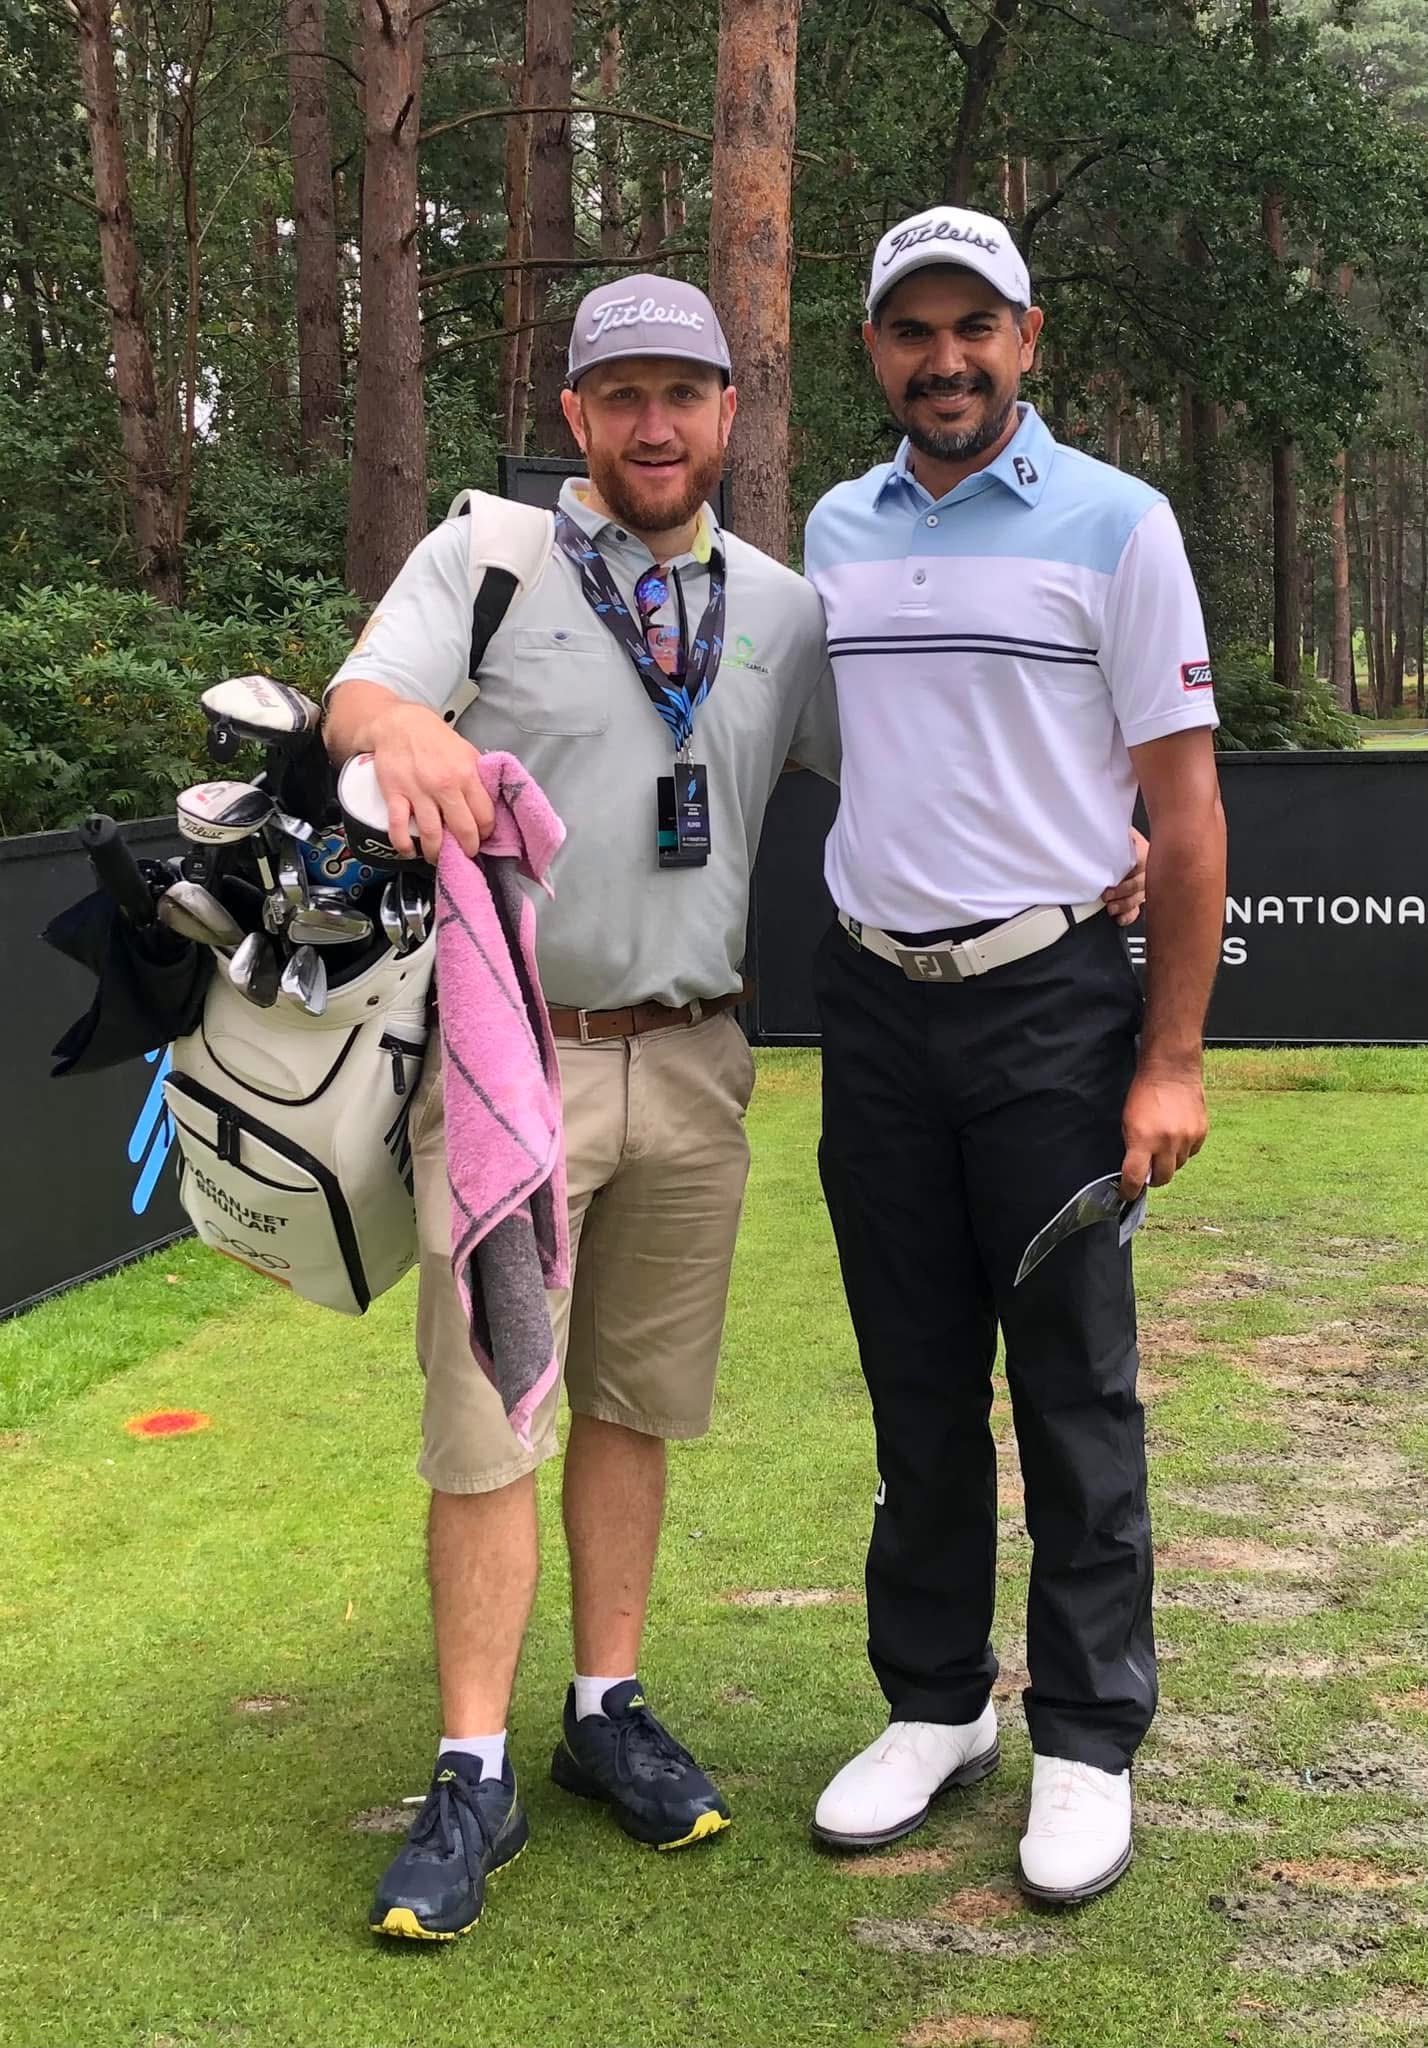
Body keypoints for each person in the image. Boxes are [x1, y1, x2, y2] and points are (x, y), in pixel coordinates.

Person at [324, 269, 1145, 1943]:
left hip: (699, 1060)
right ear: (575, 413)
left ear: (728, 412)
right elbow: (361, 698)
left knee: (633, 1405)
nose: (654, 425)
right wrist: (394, 724)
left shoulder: (779, 602)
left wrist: (1103, 828)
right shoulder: (486, 556)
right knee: (490, 1416)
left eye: (682, 394)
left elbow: (920, 757)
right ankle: (471, 1766)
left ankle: (603, 1711)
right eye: (621, 395)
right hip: (516, 1060)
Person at [803, 206, 1227, 1905]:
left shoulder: (1119, 522)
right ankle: (935, 1704)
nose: (946, 359)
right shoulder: (835, 531)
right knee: (914, 1380)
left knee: (1070, 1383)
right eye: (914, 330)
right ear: (875, 351)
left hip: (1049, 1006)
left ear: (1027, 339)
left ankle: (1088, 1736)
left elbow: (1185, 812)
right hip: (872, 1008)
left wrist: (1170, 1056)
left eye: (976, 326)